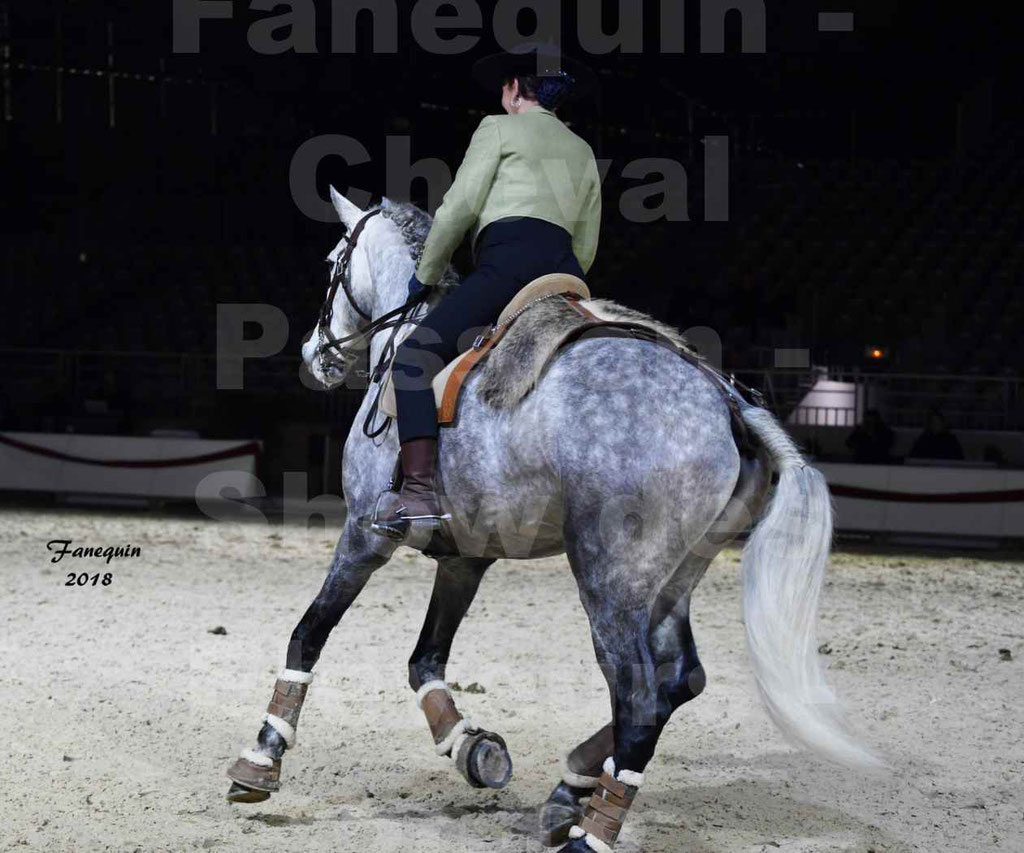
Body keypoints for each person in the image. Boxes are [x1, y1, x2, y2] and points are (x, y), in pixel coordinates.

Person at [375, 42, 602, 537]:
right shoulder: (582, 150)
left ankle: (416, 494)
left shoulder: (497, 127)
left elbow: (457, 208)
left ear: (516, 88)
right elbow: (587, 241)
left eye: (506, 84)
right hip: (565, 275)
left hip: (506, 266)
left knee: (414, 360)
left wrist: (427, 273)